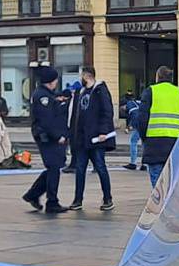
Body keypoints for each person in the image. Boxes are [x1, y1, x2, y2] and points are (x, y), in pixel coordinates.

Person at [139, 66, 179, 186]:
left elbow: (142, 118)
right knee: (174, 179)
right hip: (177, 143)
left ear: (158, 77)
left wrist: (143, 137)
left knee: (157, 181)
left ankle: (160, 202)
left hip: (154, 142)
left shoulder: (150, 91)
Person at [22, 66, 71, 214]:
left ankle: (33, 195)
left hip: (49, 136)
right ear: (51, 81)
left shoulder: (47, 94)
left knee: (53, 168)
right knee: (54, 168)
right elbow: (46, 120)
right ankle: (52, 202)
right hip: (48, 138)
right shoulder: (42, 96)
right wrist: (59, 136)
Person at [70, 66, 116, 211]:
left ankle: (108, 198)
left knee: (100, 167)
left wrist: (103, 131)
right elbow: (75, 115)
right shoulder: (80, 92)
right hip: (82, 139)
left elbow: (107, 111)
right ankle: (77, 200)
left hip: (96, 138)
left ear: (86, 76)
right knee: (80, 169)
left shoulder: (100, 90)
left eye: (81, 75)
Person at [122, 93, 146, 170]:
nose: (122, 110)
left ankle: (133, 163)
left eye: (121, 108)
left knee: (133, 142)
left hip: (140, 125)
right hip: (146, 123)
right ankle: (145, 164)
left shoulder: (129, 104)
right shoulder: (137, 102)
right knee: (144, 144)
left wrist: (129, 127)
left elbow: (134, 115)